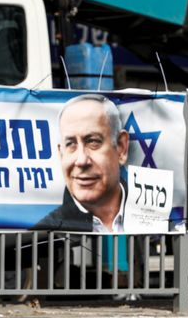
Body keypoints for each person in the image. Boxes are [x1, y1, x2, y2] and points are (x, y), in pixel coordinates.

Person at [33, 93, 129, 232]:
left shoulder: (162, 222)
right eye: (71, 144)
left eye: (93, 142)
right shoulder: (44, 236)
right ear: (61, 153)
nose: (81, 160)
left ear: (121, 147)